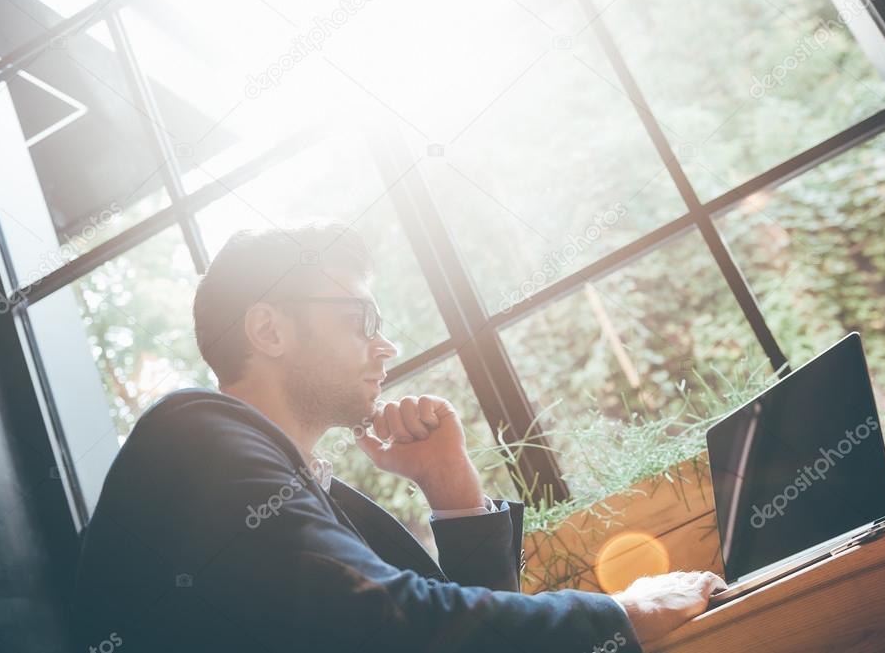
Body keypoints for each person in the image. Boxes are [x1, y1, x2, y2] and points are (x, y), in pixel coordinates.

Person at [72, 222, 725, 652]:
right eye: (361, 319)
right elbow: (393, 622)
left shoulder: (306, 488)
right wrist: (621, 615)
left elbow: (456, 636)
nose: (385, 346)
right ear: (269, 331)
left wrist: (450, 487)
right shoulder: (195, 437)